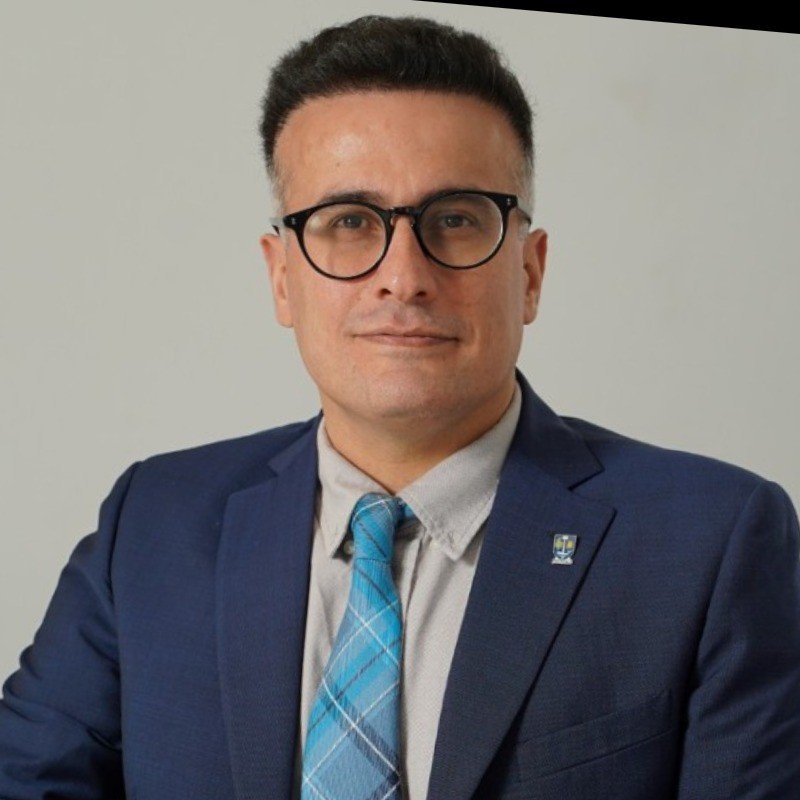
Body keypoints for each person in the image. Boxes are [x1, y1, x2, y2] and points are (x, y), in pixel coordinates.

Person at [1, 13, 799, 800]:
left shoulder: (712, 544)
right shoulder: (152, 527)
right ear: (281, 277)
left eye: (455, 220)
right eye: (349, 222)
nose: (404, 277)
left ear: (529, 272)